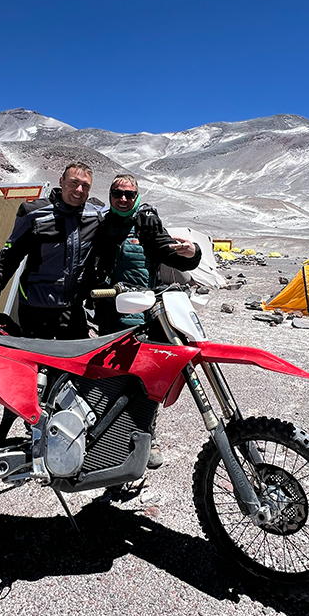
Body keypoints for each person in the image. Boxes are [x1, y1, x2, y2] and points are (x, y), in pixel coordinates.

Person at [91, 174, 202, 468]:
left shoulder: (147, 226)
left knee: (142, 384)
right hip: (105, 317)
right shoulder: (100, 226)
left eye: (129, 194)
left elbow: (177, 256)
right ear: (111, 195)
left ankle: (146, 439)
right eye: (118, 194)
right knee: (108, 381)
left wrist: (193, 253)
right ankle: (108, 443)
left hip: (140, 320)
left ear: (136, 196)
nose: (123, 199)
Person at [0, 161, 105, 340]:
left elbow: (124, 211)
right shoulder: (35, 213)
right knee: (35, 364)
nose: (79, 190)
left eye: (85, 186)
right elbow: (8, 259)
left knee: (72, 365)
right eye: (74, 182)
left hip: (72, 310)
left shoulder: (96, 214)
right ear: (61, 181)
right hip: (35, 308)